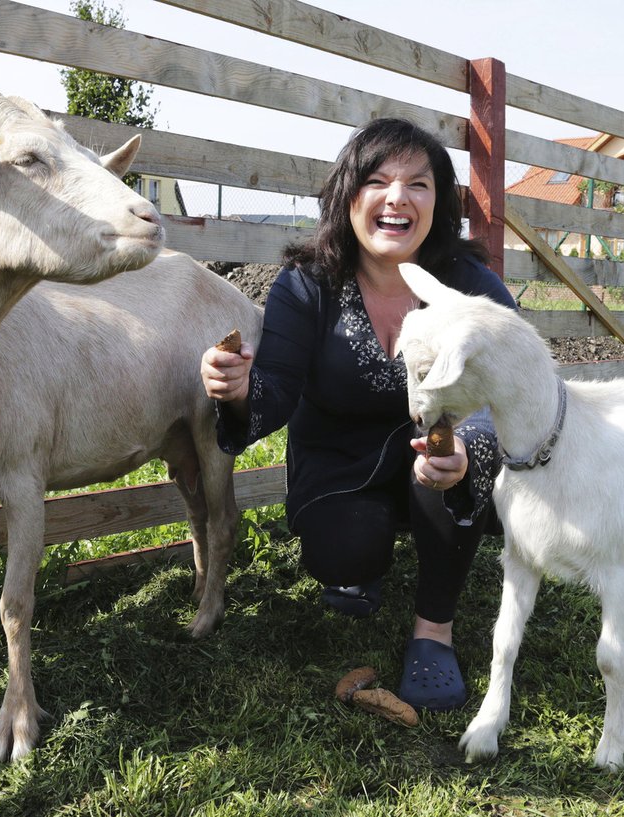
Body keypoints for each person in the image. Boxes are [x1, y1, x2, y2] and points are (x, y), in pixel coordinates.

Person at [200, 118, 519, 712]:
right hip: (338, 465)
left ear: (438, 203)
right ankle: (364, 562)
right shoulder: (308, 284)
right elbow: (274, 395)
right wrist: (238, 389)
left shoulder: (469, 284)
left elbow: (522, 386)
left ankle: (434, 634)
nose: (397, 197)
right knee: (346, 550)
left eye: (418, 184)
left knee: (457, 465)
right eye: (378, 180)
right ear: (349, 196)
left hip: (438, 455)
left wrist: (472, 444)